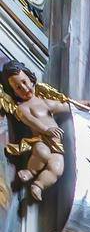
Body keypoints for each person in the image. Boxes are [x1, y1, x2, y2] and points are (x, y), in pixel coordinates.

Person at [0, 58, 71, 203]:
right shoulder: (22, 108)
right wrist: (46, 129)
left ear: (31, 79)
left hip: (57, 146)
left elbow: (65, 106)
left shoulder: (44, 102)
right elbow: (30, 120)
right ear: (14, 92)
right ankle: (30, 171)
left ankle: (39, 185)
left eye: (24, 82)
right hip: (41, 139)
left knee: (57, 168)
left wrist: (86, 104)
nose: (24, 88)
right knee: (41, 153)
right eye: (18, 88)